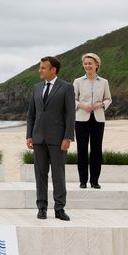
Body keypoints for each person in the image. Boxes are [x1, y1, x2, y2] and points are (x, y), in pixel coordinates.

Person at [26, 56, 75, 221]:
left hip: (58, 139)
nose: (40, 70)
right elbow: (31, 114)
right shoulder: (36, 87)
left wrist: (68, 137)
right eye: (40, 67)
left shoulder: (66, 88)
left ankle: (59, 208)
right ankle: (41, 208)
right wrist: (29, 135)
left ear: (53, 70)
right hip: (38, 138)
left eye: (43, 68)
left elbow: (70, 115)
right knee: (40, 175)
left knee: (58, 175)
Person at [73, 53, 112, 189]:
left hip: (98, 119)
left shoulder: (104, 82)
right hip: (81, 119)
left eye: (90, 63)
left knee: (96, 150)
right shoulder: (78, 81)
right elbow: (73, 99)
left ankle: (94, 181)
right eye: (85, 63)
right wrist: (82, 105)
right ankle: (83, 181)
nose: (87, 66)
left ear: (97, 65)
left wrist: (101, 105)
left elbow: (108, 99)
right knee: (82, 150)